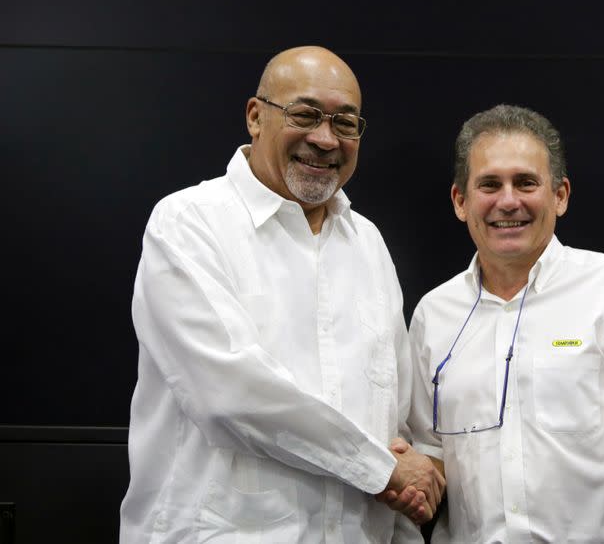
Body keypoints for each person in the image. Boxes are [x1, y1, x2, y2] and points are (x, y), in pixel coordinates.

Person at [119, 45, 444, 543]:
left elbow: (392, 416)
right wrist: (380, 470)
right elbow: (229, 394)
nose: (324, 138)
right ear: (255, 116)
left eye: (345, 123)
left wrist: (400, 485)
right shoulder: (189, 223)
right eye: (305, 114)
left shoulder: (368, 244)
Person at [405, 104, 604, 543]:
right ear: (460, 202)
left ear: (560, 195)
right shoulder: (434, 313)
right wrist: (409, 480)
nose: (508, 201)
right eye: (490, 184)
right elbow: (430, 453)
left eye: (526, 182)